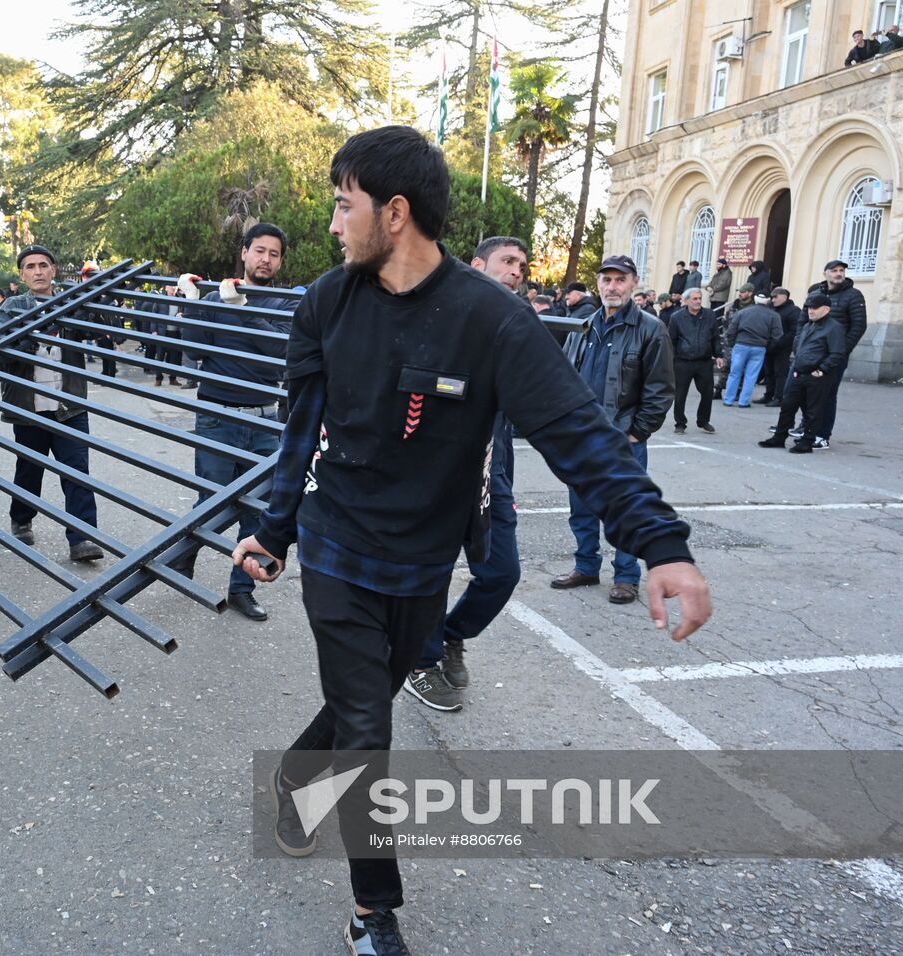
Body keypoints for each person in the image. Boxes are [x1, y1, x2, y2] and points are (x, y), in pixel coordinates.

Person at [234, 126, 710, 956]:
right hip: (337, 546)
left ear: (395, 212)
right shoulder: (325, 304)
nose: (333, 225)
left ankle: (291, 779)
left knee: (365, 705)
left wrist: (660, 542)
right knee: (366, 726)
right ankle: (372, 912)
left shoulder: (491, 321)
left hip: (424, 559)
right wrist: (273, 530)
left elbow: (578, 433)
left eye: (344, 207)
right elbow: (299, 432)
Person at [403, 235, 528, 714]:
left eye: (521, 264)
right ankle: (421, 660)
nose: (516, 271)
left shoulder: (518, 326)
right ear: (477, 266)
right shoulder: (444, 317)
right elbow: (417, 381)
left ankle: (452, 637)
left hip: (490, 471)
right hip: (436, 470)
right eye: (507, 261)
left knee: (502, 572)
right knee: (430, 573)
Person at [178, 222, 298, 622]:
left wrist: (242, 310)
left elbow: (278, 349)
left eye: (274, 254)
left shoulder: (284, 304)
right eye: (259, 251)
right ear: (244, 252)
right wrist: (194, 300)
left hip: (265, 420)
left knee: (258, 510)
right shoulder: (217, 295)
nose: (266, 259)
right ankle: (182, 559)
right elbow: (194, 348)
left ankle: (241, 590)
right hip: (217, 416)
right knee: (209, 501)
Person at [552, 253, 675, 606]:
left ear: (634, 283)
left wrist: (637, 432)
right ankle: (586, 566)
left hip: (622, 439)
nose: (612, 286)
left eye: (620, 279)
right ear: (598, 284)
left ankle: (625, 577)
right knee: (581, 507)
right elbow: (566, 379)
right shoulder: (584, 326)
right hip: (581, 437)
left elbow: (660, 388)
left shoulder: (651, 328)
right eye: (606, 280)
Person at [0, 244, 104, 562]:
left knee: (77, 472)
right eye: (30, 267)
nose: (38, 271)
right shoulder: (12, 308)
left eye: (44, 265)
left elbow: (96, 327)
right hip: (29, 409)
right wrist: (32, 336)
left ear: (53, 270)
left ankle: (81, 538)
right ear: (22, 274)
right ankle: (22, 517)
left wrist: (71, 320)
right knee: (30, 470)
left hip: (69, 406)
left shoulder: (71, 302)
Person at [759, 293, 845, 454]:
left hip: (817, 376)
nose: (810, 311)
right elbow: (800, 347)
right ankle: (779, 437)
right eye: (809, 307)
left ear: (826, 309)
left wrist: (821, 370)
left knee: (813, 411)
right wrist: (797, 367)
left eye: (814, 308)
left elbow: (837, 353)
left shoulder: (834, 327)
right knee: (787, 406)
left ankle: (807, 441)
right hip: (800, 372)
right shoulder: (808, 326)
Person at [801, 259, 868, 449]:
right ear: (826, 274)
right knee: (806, 393)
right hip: (810, 354)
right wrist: (800, 348)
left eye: (841, 271)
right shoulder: (815, 293)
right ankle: (808, 429)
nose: (839, 273)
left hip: (834, 356)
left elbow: (858, 326)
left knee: (827, 395)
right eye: (834, 270)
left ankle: (822, 435)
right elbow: (802, 322)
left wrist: (840, 352)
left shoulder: (854, 295)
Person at [666, 288, 719, 435]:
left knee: (708, 393)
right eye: (694, 299)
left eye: (699, 298)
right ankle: (680, 423)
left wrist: (718, 354)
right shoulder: (676, 317)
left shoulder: (709, 315)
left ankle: (703, 421)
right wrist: (673, 359)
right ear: (687, 300)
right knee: (680, 394)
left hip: (704, 361)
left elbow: (715, 336)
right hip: (683, 362)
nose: (698, 302)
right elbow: (672, 340)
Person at [721, 294, 782, 407]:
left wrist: (732, 343)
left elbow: (731, 330)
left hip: (741, 345)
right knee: (751, 375)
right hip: (759, 347)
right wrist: (768, 347)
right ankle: (743, 402)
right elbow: (777, 336)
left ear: (755, 299)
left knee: (734, 373)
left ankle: (728, 400)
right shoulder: (774, 315)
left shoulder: (743, 312)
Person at [763, 287, 801, 406]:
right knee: (768, 372)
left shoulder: (793, 311)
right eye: (772, 297)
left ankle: (779, 397)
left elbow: (794, 330)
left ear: (784, 297)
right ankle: (769, 395)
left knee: (780, 373)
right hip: (769, 346)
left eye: (776, 297)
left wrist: (779, 343)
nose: (773, 300)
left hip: (782, 348)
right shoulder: (770, 308)